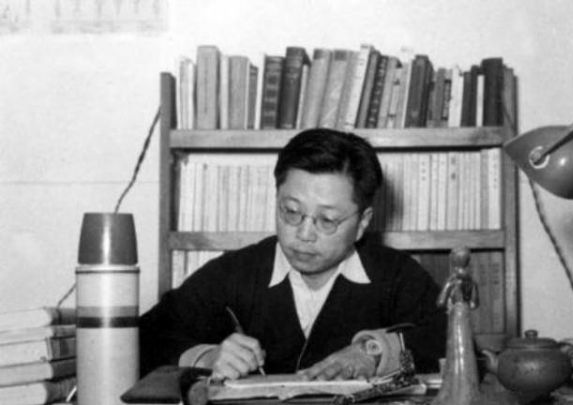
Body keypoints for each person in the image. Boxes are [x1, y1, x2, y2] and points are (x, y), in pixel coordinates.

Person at [139, 128, 447, 380]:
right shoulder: (234, 273)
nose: (304, 233)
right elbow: (143, 339)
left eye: (327, 220)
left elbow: (453, 342)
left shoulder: (397, 276)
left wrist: (378, 352)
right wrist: (206, 357)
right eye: (291, 211)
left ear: (362, 223)